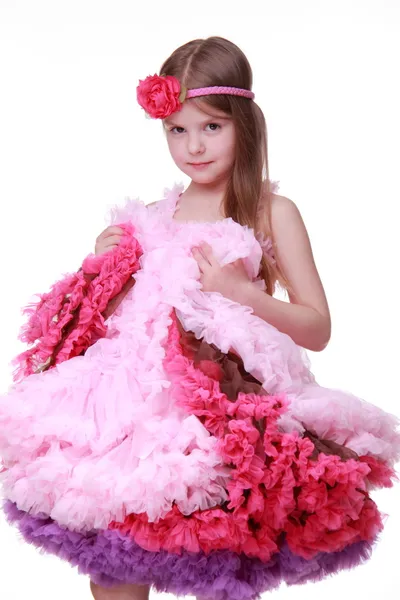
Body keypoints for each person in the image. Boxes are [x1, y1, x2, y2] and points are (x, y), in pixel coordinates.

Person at [0, 36, 399, 600]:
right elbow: (121, 323)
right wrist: (104, 266)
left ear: (244, 124)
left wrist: (243, 291)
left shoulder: (269, 211)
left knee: (219, 561)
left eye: (211, 127)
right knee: (115, 563)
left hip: (223, 414)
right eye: (177, 130)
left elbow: (317, 327)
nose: (193, 146)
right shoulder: (154, 217)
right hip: (133, 417)